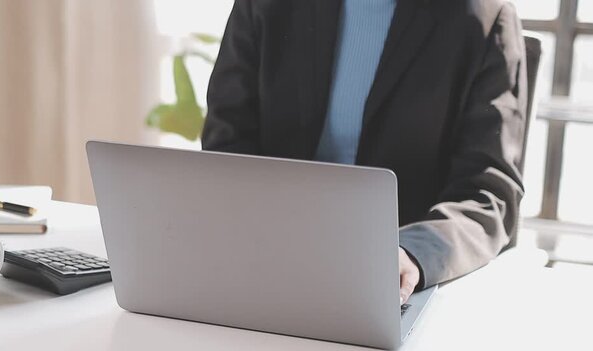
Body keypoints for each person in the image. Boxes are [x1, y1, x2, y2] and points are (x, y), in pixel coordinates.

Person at [202, 0, 527, 304]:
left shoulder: (484, 15)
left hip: (393, 281)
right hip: (268, 259)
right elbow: (227, 143)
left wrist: (413, 253)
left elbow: (489, 193)